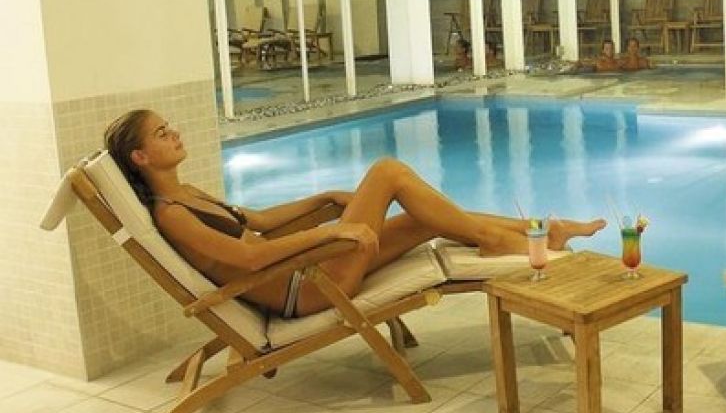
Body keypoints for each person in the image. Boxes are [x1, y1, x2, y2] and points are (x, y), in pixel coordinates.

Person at [104, 110, 605, 319]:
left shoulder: (188, 192)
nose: (174, 134)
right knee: (387, 172)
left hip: (309, 268)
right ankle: (523, 236)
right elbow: (249, 258)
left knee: (426, 218)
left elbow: (260, 222)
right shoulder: (171, 215)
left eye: (169, 126)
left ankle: (541, 232)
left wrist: (323, 198)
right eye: (162, 134)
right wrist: (330, 234)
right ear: (140, 158)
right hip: (306, 286)